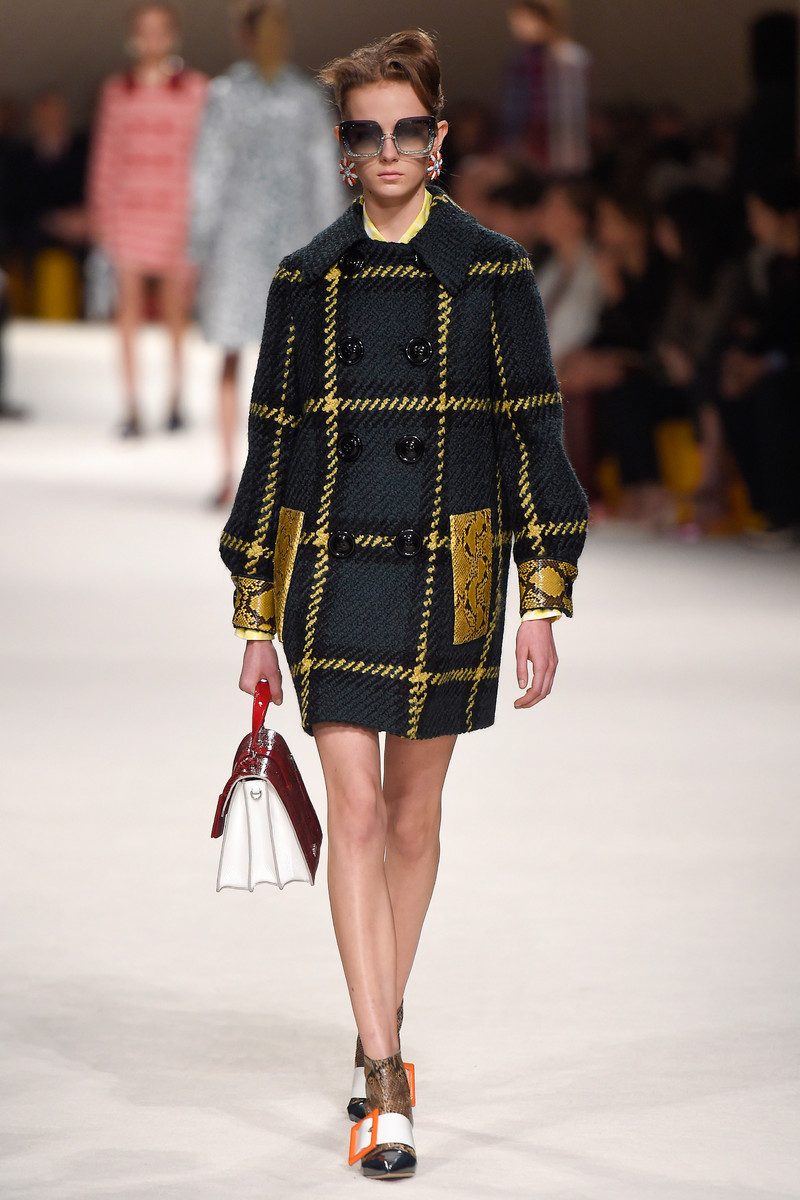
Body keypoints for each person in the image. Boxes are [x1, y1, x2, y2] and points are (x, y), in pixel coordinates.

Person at [219, 29, 587, 1179]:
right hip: (333, 576)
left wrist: (542, 596)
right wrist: (255, 614)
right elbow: (271, 446)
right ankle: (383, 1073)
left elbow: (532, 433)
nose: (387, 150)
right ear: (343, 148)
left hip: (450, 574)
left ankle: (376, 1013)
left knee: (415, 819)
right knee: (359, 816)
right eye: (366, 132)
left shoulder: (493, 272)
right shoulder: (304, 279)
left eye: (407, 130)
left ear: (437, 138)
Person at [190, 0, 341, 507]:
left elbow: (324, 175)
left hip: (292, 241)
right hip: (238, 240)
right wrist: (200, 241)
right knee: (233, 351)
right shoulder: (226, 94)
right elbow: (208, 170)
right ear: (247, 37)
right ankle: (230, 472)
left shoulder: (305, 99)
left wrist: (331, 245)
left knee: (296, 361)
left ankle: (288, 476)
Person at [87, 2, 207, 436]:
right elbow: (107, 153)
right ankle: (132, 405)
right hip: (130, 209)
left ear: (172, 35)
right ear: (133, 36)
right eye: (144, 30)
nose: (152, 38)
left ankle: (175, 398)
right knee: (128, 308)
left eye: (159, 29)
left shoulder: (194, 89)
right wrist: (100, 213)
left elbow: (205, 158)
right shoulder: (117, 91)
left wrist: (203, 215)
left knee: (176, 308)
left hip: (177, 209)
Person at [501, 0, 591, 175]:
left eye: (524, 19)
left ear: (544, 19)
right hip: (529, 153)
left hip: (561, 152)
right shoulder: (523, 60)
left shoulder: (571, 59)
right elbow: (514, 112)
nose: (517, 26)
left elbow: (572, 112)